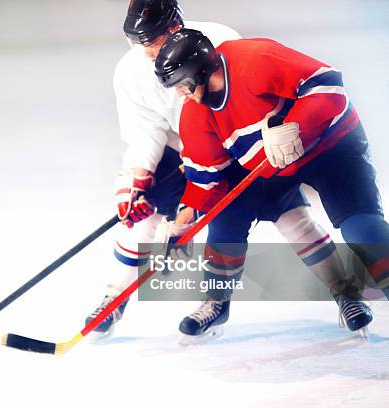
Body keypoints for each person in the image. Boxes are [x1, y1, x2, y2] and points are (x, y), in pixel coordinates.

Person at [86, 0, 368, 340]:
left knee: (290, 217)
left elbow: (242, 105)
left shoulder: (219, 40)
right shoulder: (129, 72)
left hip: (229, 149)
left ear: (174, 27)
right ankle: (115, 298)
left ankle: (345, 291)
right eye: (137, 42)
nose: (145, 52)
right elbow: (145, 133)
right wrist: (136, 179)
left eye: (152, 41)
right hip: (181, 152)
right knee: (141, 221)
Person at [154, 28, 385, 338]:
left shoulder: (255, 59)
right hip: (270, 165)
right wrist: (184, 220)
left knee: (363, 229)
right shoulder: (195, 114)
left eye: (181, 84)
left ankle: (348, 292)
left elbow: (329, 84)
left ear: (198, 72)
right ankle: (216, 301)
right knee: (224, 221)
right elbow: (208, 177)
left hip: (332, 147)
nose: (179, 93)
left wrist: (297, 125)